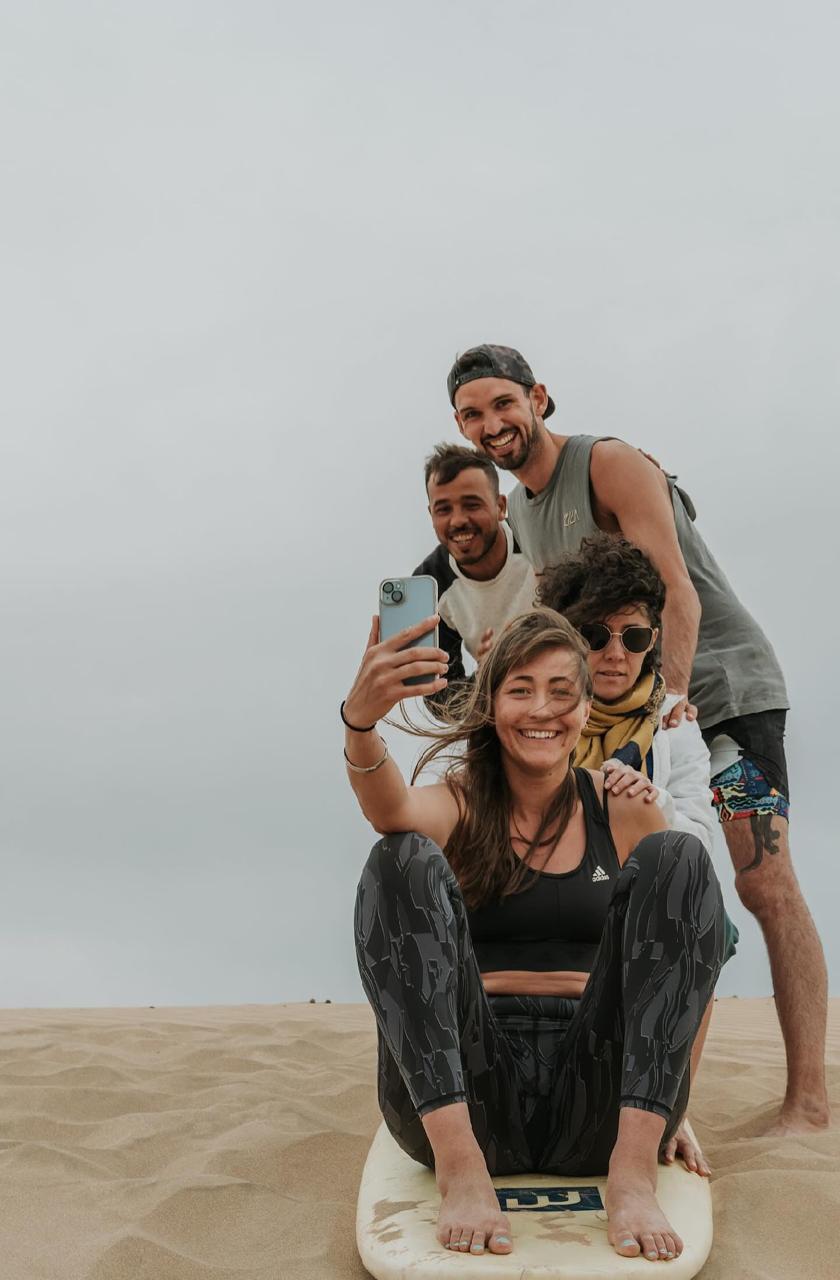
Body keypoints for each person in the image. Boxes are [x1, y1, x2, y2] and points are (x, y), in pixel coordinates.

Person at [447, 343, 828, 1135]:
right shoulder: (519, 511)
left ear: (538, 398)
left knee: (762, 884)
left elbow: (675, 592)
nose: (492, 424)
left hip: (718, 693)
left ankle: (809, 1102)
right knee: (624, 891)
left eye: (501, 404)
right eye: (471, 415)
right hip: (631, 710)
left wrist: (669, 705)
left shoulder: (607, 463)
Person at [343, 607, 726, 1262]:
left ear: (583, 709)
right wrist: (361, 722)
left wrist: (669, 1101)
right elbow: (392, 811)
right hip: (468, 1091)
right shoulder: (461, 803)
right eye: (520, 689)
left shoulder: (625, 804)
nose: (540, 709)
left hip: (598, 1099)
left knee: (682, 858)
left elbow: (680, 956)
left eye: (560, 690)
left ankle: (631, 1179)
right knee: (398, 857)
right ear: (493, 705)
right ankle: (464, 1173)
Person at [538, 532, 716, 850]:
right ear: (565, 636)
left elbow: (698, 844)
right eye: (595, 635)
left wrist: (649, 801)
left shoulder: (674, 721)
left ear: (652, 640)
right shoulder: (534, 715)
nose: (617, 654)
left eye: (633, 637)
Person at [412, 443, 536, 705]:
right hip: (503, 710)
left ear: (501, 506)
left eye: (472, 505)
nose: (457, 520)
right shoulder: (431, 584)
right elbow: (440, 697)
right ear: (430, 514)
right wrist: (485, 677)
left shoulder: (536, 537)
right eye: (443, 509)